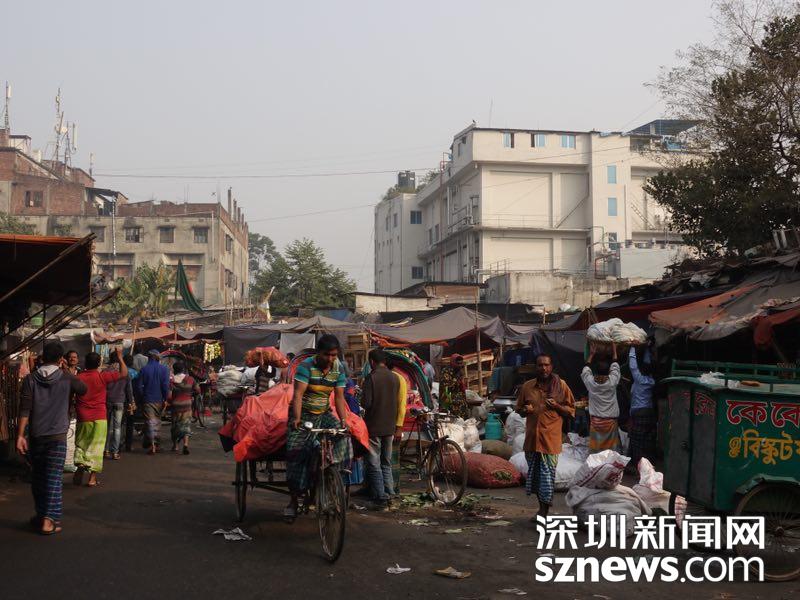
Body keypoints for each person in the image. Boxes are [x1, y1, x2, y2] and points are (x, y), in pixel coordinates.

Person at [17, 342, 87, 535]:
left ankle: (41, 515)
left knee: (38, 478)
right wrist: (67, 371)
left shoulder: (30, 379)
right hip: (57, 437)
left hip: (36, 436)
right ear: (61, 359)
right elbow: (83, 389)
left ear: (42, 358)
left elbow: (24, 410)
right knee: (54, 479)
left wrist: (20, 436)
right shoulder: (66, 377)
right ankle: (48, 520)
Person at [285, 334, 351, 521]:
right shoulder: (306, 367)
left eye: (334, 355)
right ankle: (293, 501)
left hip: (323, 414)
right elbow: (298, 395)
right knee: (295, 453)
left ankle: (332, 470)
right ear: (318, 353)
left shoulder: (338, 368)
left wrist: (344, 420)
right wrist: (297, 418)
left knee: (343, 434)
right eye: (326, 355)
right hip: (303, 415)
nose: (330, 359)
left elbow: (339, 397)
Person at [515, 353, 575, 519]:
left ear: (551, 366)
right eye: (540, 365)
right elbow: (518, 409)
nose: (544, 368)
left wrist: (557, 406)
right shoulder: (527, 387)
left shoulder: (561, 386)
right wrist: (525, 410)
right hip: (532, 440)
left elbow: (571, 411)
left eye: (546, 365)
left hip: (550, 441)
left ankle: (544, 511)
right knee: (536, 478)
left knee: (547, 479)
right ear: (535, 367)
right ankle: (541, 509)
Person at [74, 349, 127, 487]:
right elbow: (124, 373)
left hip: (83, 415)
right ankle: (92, 478)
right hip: (99, 416)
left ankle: (80, 466)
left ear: (85, 363)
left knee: (82, 443)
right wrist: (120, 357)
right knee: (96, 447)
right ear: (99, 364)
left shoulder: (79, 377)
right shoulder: (102, 376)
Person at [361, 349, 401, 509]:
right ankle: (390, 493)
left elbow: (366, 403)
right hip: (390, 426)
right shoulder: (395, 378)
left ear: (372, 361)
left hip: (374, 426)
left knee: (374, 463)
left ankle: (380, 497)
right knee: (386, 462)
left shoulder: (371, 378)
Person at [582, 343, 622, 454]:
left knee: (596, 450)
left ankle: (596, 462)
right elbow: (615, 366)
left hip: (596, 422)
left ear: (596, 370)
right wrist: (614, 351)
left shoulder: (590, 382)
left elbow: (586, 369)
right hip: (610, 422)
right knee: (611, 451)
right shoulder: (612, 381)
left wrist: (591, 354)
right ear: (608, 371)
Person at [627, 345, 656, 471]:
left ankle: (639, 467)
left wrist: (632, 348)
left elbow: (633, 366)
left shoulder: (639, 379)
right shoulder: (651, 381)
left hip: (639, 413)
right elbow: (646, 363)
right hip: (649, 412)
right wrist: (647, 349)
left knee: (637, 442)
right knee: (646, 441)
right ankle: (647, 466)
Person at [136, 349, 170, 454]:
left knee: (150, 422)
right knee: (157, 422)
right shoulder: (164, 369)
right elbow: (165, 386)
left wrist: (142, 397)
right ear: (157, 358)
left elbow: (139, 387)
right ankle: (154, 444)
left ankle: (153, 445)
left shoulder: (144, 369)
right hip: (159, 400)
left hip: (147, 399)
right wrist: (166, 399)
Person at [104, 351, 134, 461]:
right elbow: (129, 389)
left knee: (107, 427)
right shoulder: (125, 371)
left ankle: (106, 450)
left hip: (107, 401)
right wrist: (131, 402)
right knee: (117, 428)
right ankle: (115, 452)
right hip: (120, 401)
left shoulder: (105, 371)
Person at [168, 361, 199, 454]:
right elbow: (198, 390)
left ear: (174, 369)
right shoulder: (190, 379)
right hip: (187, 405)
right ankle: (185, 445)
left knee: (175, 425)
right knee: (186, 425)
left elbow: (169, 396)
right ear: (183, 369)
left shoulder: (171, 380)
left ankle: (175, 446)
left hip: (175, 406)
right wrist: (190, 394)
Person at [440, 354, 469, 419]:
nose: (459, 365)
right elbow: (447, 387)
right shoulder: (446, 371)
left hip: (460, 401)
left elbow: (461, 386)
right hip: (449, 401)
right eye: (458, 363)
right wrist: (456, 378)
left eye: (461, 363)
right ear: (453, 362)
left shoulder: (459, 371)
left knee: (462, 420)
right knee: (451, 421)